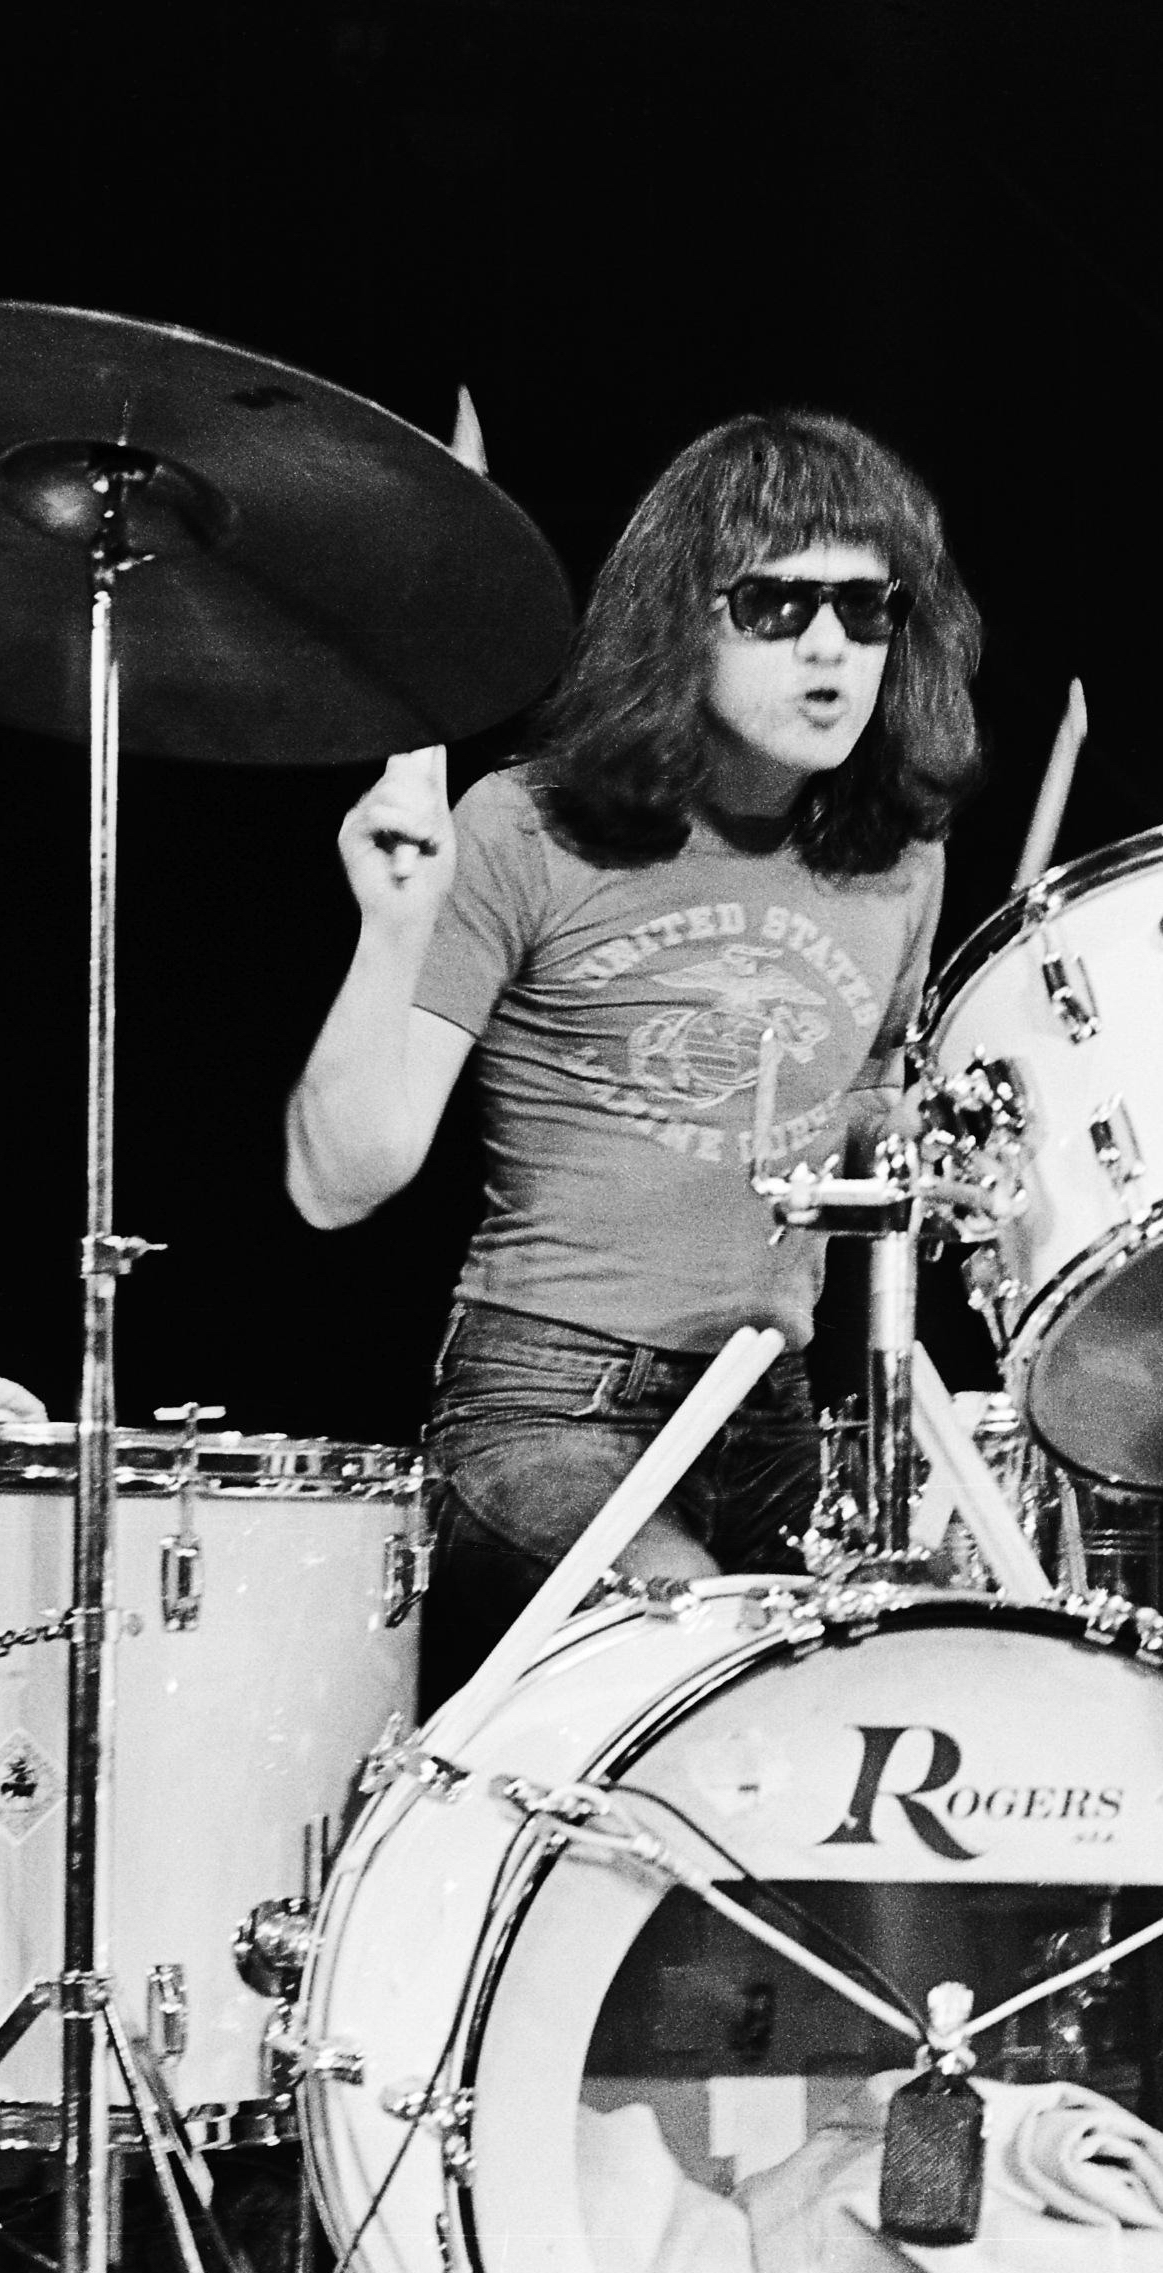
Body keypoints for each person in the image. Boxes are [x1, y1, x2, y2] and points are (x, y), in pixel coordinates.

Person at [285, 409, 983, 1702]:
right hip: (550, 1405)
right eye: (777, 605)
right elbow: (341, 1180)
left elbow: (871, 1124)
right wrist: (390, 932)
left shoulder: (900, 863)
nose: (830, 647)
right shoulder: (523, 828)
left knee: (932, 1671)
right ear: (683, 617)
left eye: (865, 609)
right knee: (709, 1660)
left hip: (769, 1411)